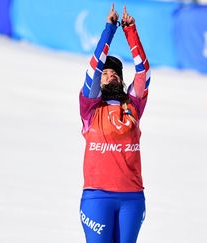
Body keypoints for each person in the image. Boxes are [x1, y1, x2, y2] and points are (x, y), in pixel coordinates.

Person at [78, 4, 150, 243]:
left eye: (115, 73)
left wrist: (131, 31)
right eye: (106, 73)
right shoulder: (90, 107)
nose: (110, 76)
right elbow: (93, 69)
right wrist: (109, 30)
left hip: (132, 197)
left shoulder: (134, 105)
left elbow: (143, 72)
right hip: (97, 198)